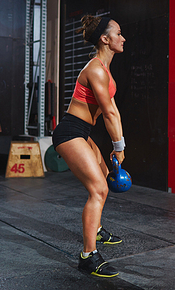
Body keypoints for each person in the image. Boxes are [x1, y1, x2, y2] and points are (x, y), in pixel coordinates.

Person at [53, 15, 126, 278]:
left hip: (83, 132)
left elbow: (113, 110)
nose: (123, 38)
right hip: (70, 132)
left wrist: (120, 145)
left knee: (105, 177)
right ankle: (88, 256)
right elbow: (107, 113)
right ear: (105, 39)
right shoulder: (95, 69)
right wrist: (118, 144)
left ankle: (95, 229)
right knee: (98, 190)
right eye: (118, 34)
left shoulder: (105, 70)